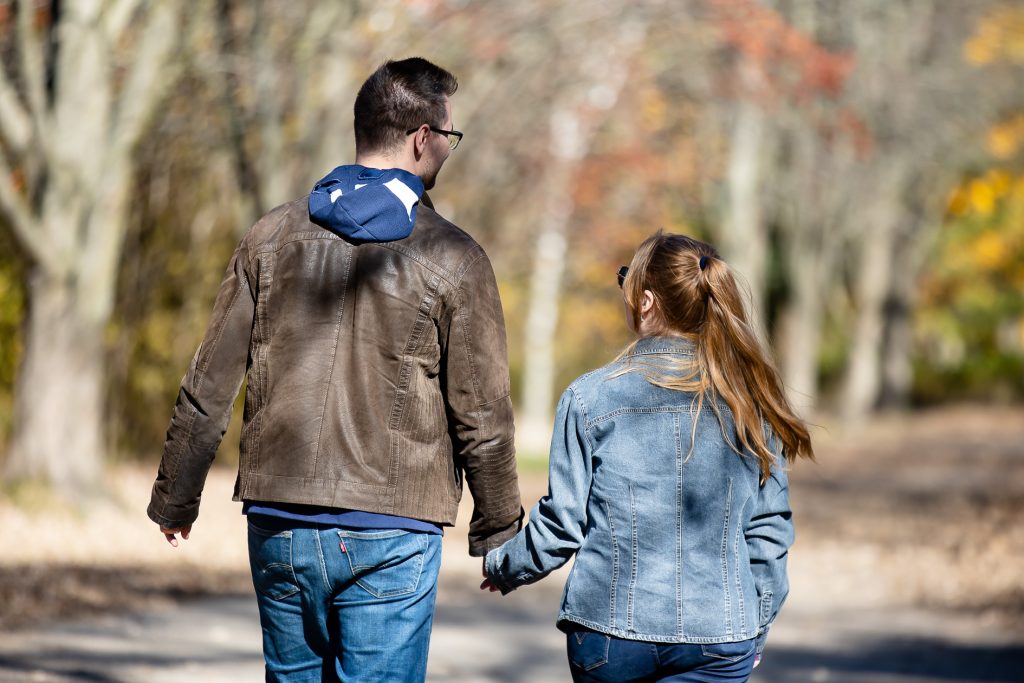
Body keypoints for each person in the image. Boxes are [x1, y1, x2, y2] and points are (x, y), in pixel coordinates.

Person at [148, 57, 522, 682]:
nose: (449, 150)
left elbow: (207, 386)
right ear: (421, 138)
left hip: (280, 522)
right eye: (449, 136)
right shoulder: (455, 257)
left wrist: (175, 498)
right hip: (392, 529)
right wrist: (500, 533)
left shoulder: (269, 237)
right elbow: (482, 413)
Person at [482, 231, 814, 682]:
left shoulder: (589, 398)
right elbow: (769, 530)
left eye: (627, 283)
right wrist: (754, 624)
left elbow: (562, 524)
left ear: (645, 302)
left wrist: (505, 564)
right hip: (720, 638)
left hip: (610, 634)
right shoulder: (748, 403)